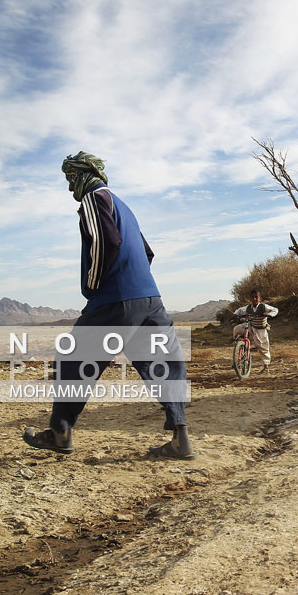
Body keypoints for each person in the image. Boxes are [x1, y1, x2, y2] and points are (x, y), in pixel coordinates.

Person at [22, 152, 194, 459]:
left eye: (71, 177)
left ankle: (61, 433)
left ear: (85, 174)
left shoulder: (93, 198)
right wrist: (138, 286)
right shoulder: (125, 206)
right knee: (163, 363)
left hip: (115, 297)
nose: (69, 185)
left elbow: (106, 242)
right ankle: (181, 439)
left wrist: (93, 284)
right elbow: (147, 252)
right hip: (150, 299)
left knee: (72, 357)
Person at [233, 289, 279, 373]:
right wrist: (236, 315)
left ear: (260, 299)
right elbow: (238, 311)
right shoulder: (248, 307)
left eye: (256, 297)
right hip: (251, 326)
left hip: (260, 328)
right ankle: (239, 347)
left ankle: (266, 366)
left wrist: (269, 315)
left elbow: (275, 310)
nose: (254, 299)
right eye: (252, 297)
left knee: (263, 346)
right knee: (237, 329)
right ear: (250, 299)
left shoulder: (264, 306)